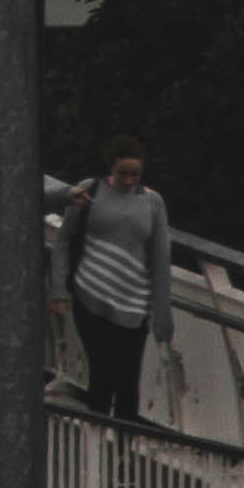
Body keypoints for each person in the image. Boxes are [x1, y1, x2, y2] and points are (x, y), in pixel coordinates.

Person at [64, 144, 175, 433]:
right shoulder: (91, 191)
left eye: (135, 174)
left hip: (134, 304)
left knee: (128, 382)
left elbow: (161, 260)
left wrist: (163, 315)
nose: (129, 180)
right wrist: (56, 291)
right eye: (123, 173)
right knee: (102, 374)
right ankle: (95, 444)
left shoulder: (153, 203)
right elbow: (65, 239)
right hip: (91, 297)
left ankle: (123, 457)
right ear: (111, 166)